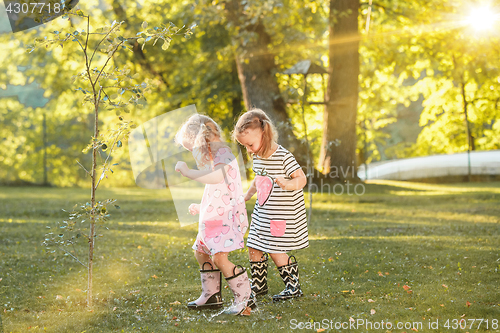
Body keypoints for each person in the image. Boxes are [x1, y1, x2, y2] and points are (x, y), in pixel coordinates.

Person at [174, 114, 254, 316]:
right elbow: (218, 188)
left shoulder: (225, 154)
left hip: (225, 218)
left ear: (202, 140)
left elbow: (217, 177)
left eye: (191, 148)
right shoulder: (215, 157)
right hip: (213, 216)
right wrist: (202, 206)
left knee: (219, 257)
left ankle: (244, 298)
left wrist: (188, 172)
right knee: (201, 252)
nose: (192, 153)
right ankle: (211, 296)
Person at [233, 109, 309, 301]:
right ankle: (259, 285)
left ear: (264, 134)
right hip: (263, 211)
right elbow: (259, 179)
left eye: (250, 144)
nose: (249, 150)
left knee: (275, 247)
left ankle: (293, 286)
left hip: (281, 212)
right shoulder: (257, 156)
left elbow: (302, 179)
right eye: (245, 146)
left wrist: (289, 184)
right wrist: (248, 194)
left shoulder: (283, 156)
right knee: (254, 244)